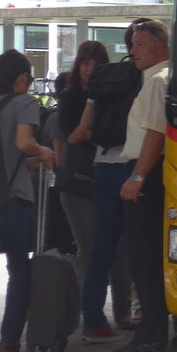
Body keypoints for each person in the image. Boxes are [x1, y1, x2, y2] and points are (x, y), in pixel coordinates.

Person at [0, 49, 56, 352]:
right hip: (14, 201)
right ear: (22, 78)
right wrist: (44, 150)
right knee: (19, 270)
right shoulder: (25, 103)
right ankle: (10, 340)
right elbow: (23, 145)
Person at [113, 18, 177, 352]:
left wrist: (138, 178)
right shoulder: (162, 79)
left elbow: (155, 134)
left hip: (148, 173)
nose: (133, 50)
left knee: (145, 259)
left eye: (139, 44)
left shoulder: (158, 81)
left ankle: (151, 334)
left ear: (160, 46)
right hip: (157, 173)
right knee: (161, 256)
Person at [58, 40, 135, 332]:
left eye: (96, 64)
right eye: (85, 63)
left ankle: (122, 311)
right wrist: (93, 124)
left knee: (117, 248)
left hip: (105, 172)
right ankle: (90, 315)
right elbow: (72, 137)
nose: (90, 70)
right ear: (77, 66)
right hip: (80, 182)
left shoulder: (116, 92)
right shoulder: (72, 97)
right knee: (94, 249)